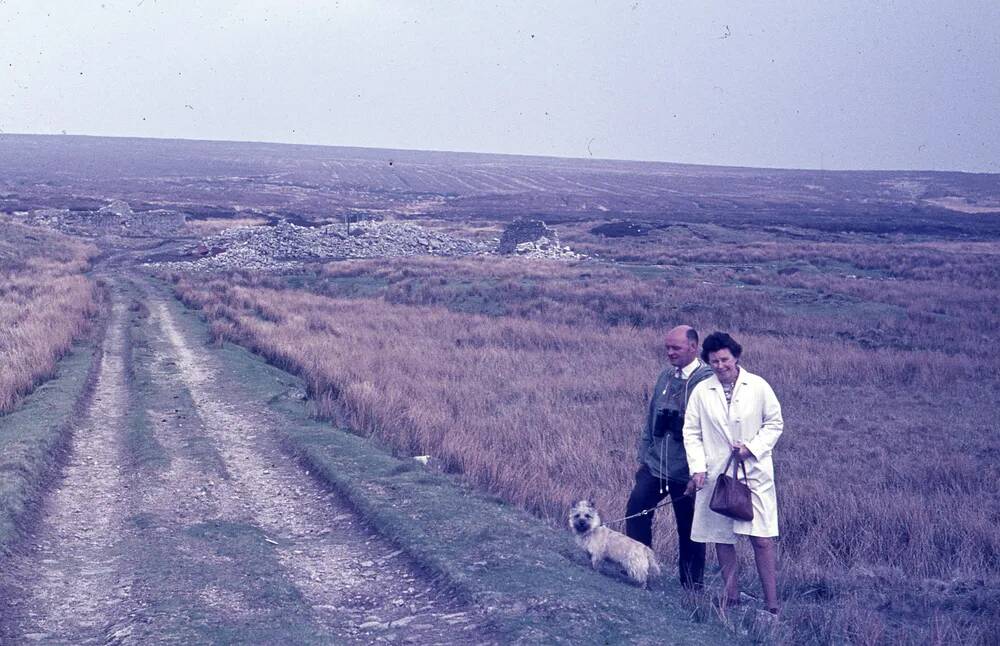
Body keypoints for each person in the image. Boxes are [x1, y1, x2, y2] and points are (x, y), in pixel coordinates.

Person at [683, 331, 784, 614]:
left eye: (724, 359)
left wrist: (751, 447)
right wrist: (698, 469)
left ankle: (772, 605)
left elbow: (774, 424)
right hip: (717, 475)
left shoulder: (758, 386)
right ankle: (732, 597)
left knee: (761, 538)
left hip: (754, 474)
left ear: (736, 357)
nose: (719, 365)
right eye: (713, 361)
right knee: (721, 535)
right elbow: (691, 432)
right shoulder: (702, 391)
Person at [625, 325, 714, 589]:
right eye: (667, 348)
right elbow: (651, 417)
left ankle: (691, 587)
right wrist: (644, 457)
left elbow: (709, 428)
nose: (670, 353)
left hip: (688, 471)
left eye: (676, 348)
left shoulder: (705, 381)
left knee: (689, 530)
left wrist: (700, 471)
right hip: (655, 467)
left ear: (693, 348)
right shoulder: (665, 376)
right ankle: (642, 573)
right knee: (636, 512)